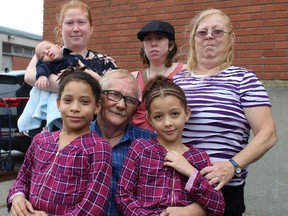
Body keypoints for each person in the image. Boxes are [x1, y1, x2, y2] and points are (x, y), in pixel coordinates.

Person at [173, 8, 277, 216]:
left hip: (224, 189)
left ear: (231, 39)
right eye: (202, 32)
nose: (209, 36)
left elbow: (267, 134)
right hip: (177, 186)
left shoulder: (244, 79)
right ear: (194, 40)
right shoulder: (178, 81)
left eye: (218, 31)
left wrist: (232, 167)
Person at [7, 67, 112, 215]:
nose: (75, 108)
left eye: (84, 102)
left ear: (97, 107)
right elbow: (22, 179)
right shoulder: (41, 140)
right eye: (68, 100)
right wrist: (18, 199)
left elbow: (93, 205)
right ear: (58, 104)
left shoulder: (99, 148)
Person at [116, 75, 225, 216]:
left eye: (174, 114)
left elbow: (218, 206)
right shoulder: (141, 149)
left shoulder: (199, 157)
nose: (167, 123)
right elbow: (123, 196)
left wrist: (191, 172)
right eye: (158, 116)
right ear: (149, 119)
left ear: (186, 114)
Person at [22, 0, 117, 135]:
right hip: (47, 136)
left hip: (91, 136)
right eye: (69, 23)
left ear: (91, 27)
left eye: (81, 22)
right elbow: (30, 76)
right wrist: (87, 85)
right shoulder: (46, 52)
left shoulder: (105, 62)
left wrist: (56, 84)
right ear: (61, 28)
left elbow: (112, 93)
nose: (76, 28)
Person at [89, 69, 157, 216]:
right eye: (114, 94)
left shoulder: (150, 144)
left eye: (130, 100)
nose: (121, 105)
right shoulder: (77, 138)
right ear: (98, 97)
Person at [131, 20, 186, 131]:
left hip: (173, 139)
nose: (153, 43)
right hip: (139, 142)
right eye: (148, 39)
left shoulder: (185, 72)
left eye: (159, 38)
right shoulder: (133, 77)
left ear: (170, 45)